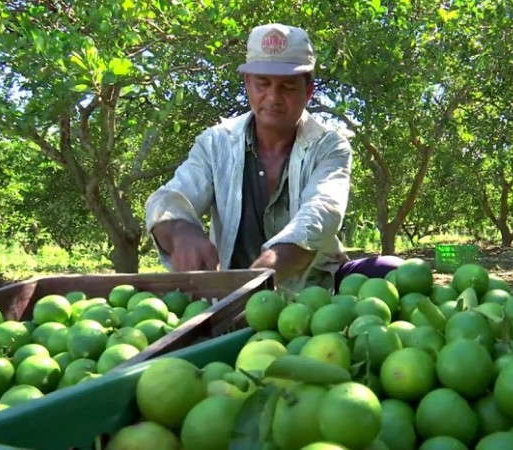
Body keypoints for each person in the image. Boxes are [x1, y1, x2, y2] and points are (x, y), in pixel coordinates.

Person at [144, 23, 404, 296]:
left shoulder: (329, 145)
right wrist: (180, 231)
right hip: (232, 294)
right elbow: (170, 198)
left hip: (314, 285)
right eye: (263, 84)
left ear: (308, 91)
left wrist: (271, 266)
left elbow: (323, 211)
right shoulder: (215, 143)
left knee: (391, 270)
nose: (273, 98)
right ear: (247, 84)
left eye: (288, 86)